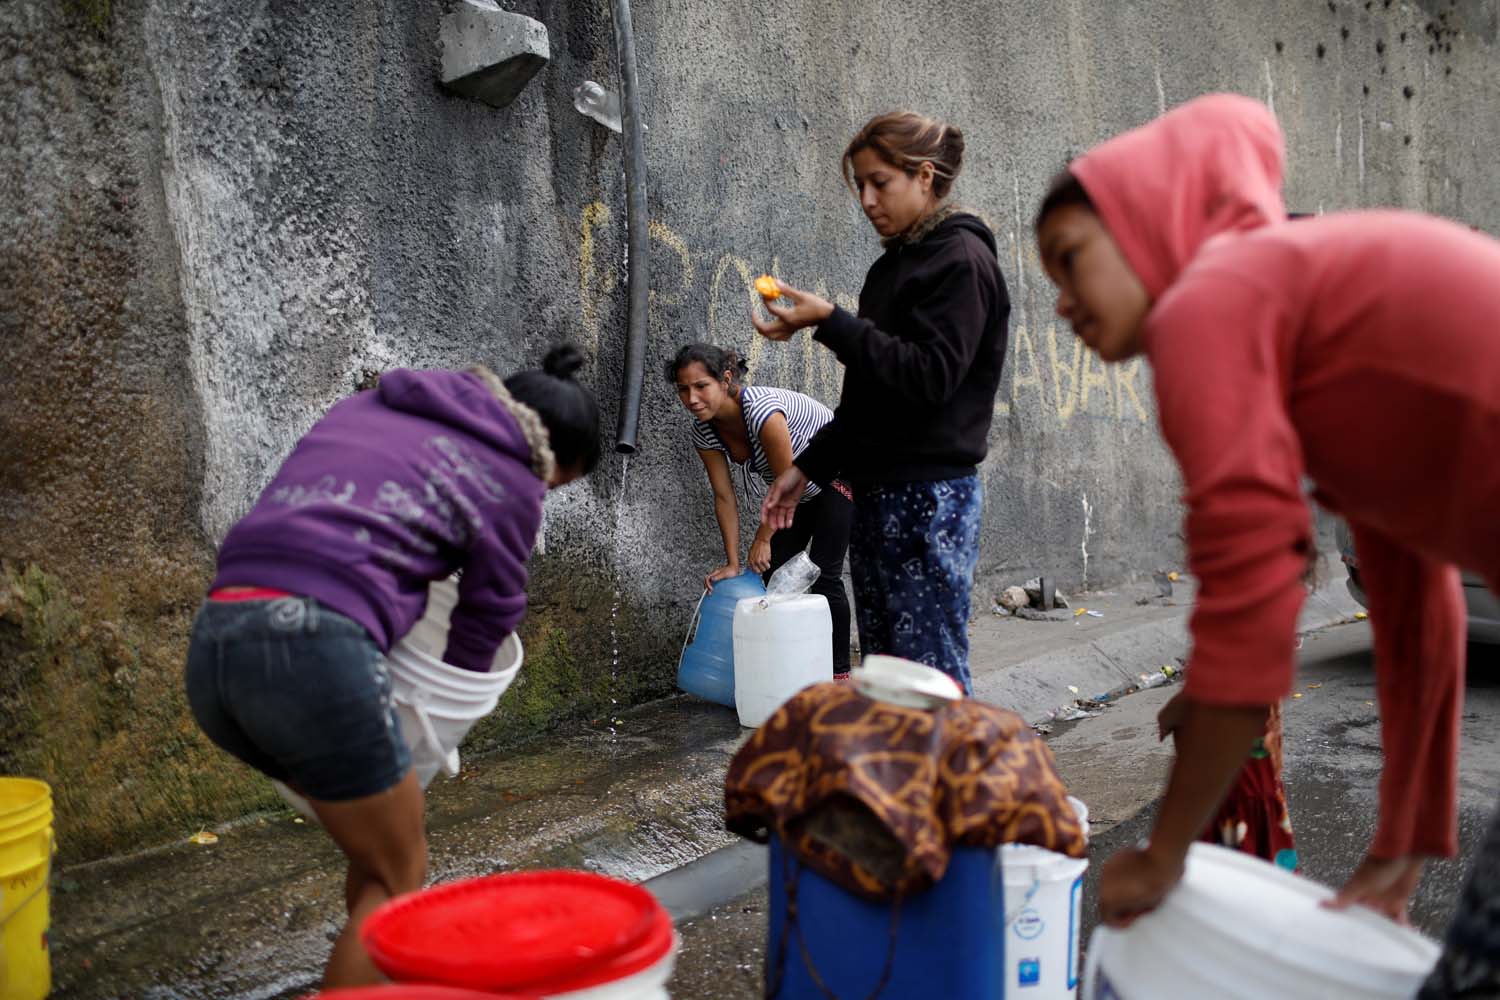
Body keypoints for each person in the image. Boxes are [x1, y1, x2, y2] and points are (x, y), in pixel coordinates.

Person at [1032, 92, 1500, 983]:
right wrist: (1400, 847)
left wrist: (1164, 852)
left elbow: (1249, 606)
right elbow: (1412, 600)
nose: (1060, 303)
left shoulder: (1209, 304)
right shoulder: (1298, 312)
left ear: (1150, 224)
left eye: (1071, 260)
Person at [184, 345, 599, 987]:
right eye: (555, 485)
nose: (543, 496)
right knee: (398, 878)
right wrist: (438, 714)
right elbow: (488, 614)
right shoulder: (514, 472)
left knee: (377, 850)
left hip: (217, 646)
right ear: (551, 458)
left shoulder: (368, 406)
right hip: (317, 653)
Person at [753, 111, 1011, 695]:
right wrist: (806, 467)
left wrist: (831, 321)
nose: (867, 200)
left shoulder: (961, 262)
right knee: (885, 678)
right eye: (859, 185)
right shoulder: (888, 270)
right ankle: (905, 785)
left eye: (880, 183)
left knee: (930, 677)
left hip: (930, 498)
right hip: (876, 495)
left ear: (924, 176)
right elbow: (867, 399)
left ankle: (954, 785)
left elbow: (929, 378)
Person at [666, 342, 853, 677]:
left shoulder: (762, 411)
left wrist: (762, 538)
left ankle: (839, 677)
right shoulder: (704, 430)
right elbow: (724, 496)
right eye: (683, 389)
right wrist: (733, 563)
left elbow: (787, 483)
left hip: (839, 476)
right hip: (800, 492)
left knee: (823, 574)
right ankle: (788, 667)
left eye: (701, 386)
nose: (692, 399)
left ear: (725, 380)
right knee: (770, 575)